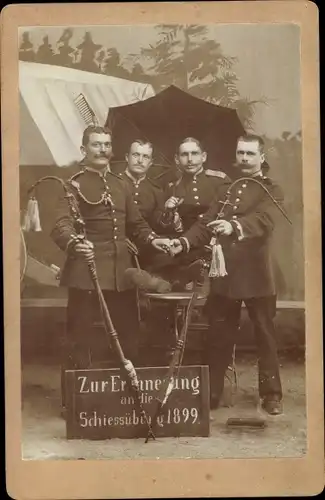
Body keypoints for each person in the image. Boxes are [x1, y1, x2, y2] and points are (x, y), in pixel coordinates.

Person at [50, 125, 171, 404]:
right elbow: (60, 224)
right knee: (79, 338)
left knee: (128, 337)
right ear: (84, 149)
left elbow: (136, 223)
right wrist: (74, 244)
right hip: (86, 272)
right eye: (96, 145)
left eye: (107, 144)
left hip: (120, 274)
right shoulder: (73, 185)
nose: (103, 149)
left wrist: (154, 240)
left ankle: (126, 399)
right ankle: (74, 402)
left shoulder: (120, 184)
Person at [171, 134, 286, 415]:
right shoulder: (227, 188)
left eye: (250, 153)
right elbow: (206, 221)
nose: (244, 158)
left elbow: (265, 220)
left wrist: (234, 226)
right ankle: (211, 394)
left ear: (262, 156)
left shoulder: (272, 189)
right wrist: (184, 242)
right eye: (241, 153)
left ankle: (272, 394)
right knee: (219, 334)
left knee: (264, 334)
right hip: (226, 273)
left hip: (259, 273)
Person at [147, 137, 232, 285]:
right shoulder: (172, 187)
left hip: (216, 245)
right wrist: (169, 212)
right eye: (184, 155)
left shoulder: (220, 181)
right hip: (186, 248)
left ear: (204, 157)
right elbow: (164, 226)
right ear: (177, 159)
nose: (190, 159)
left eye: (195, 154)